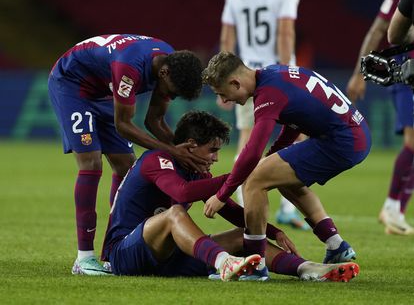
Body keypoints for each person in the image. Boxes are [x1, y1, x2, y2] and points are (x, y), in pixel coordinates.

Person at [101, 110, 359, 282]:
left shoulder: (195, 170)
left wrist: (272, 231)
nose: (215, 158)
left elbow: (232, 211)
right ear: (190, 145)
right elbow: (181, 192)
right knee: (174, 214)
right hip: (123, 254)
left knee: (242, 236)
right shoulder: (157, 159)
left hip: (166, 259)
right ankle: (223, 263)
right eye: (212, 150)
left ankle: (307, 269)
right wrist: (239, 174)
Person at [202, 51, 371, 280]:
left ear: (235, 82)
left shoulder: (267, 94)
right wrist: (273, 156)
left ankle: (255, 265)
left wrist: (222, 195)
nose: (224, 101)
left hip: (341, 140)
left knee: (254, 180)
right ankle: (336, 245)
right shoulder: (274, 74)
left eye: (223, 94)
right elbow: (296, 121)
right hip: (354, 134)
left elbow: (251, 152)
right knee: (279, 178)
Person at [48, 34, 205, 275]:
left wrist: (186, 152)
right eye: (171, 92)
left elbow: (154, 120)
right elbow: (123, 125)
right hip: (72, 85)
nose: (168, 97)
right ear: (163, 74)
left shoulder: (170, 64)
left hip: (103, 92)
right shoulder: (129, 67)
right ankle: (84, 259)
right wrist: (173, 151)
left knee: (126, 167)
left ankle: (115, 250)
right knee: (91, 162)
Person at [218, 0, 308, 229]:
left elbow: (227, 36)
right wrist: (287, 73)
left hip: (244, 75)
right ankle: (288, 209)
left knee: (248, 138)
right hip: (275, 76)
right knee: (299, 136)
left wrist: (223, 80)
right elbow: (285, 33)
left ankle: (243, 203)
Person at [347, 0, 414, 235]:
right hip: (407, 69)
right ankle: (392, 208)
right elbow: (380, 29)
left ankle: (395, 210)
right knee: (412, 141)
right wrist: (358, 73)